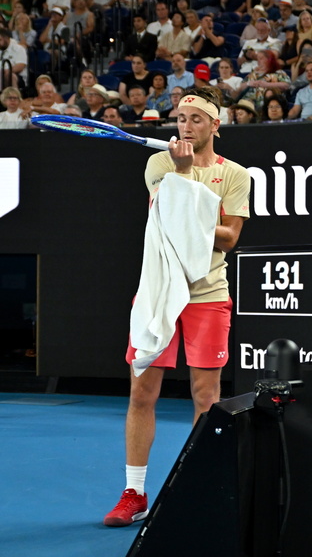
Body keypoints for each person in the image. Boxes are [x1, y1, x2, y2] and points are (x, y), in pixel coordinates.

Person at [103, 85, 250, 527]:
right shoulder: (159, 164)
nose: (186, 126)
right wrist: (185, 178)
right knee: (141, 393)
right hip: (159, 292)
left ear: (215, 126)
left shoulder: (237, 175)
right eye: (181, 119)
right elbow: (172, 220)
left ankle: (196, 487)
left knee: (206, 396)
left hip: (208, 294)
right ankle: (134, 494)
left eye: (196, 120)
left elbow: (231, 237)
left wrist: (188, 183)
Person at [236, 48, 291, 113]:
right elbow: (240, 87)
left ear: (269, 60)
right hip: (249, 105)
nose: (258, 61)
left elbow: (287, 85)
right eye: (258, 59)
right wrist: (248, 83)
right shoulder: (253, 74)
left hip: (267, 105)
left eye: (261, 58)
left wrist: (267, 85)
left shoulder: (278, 73)